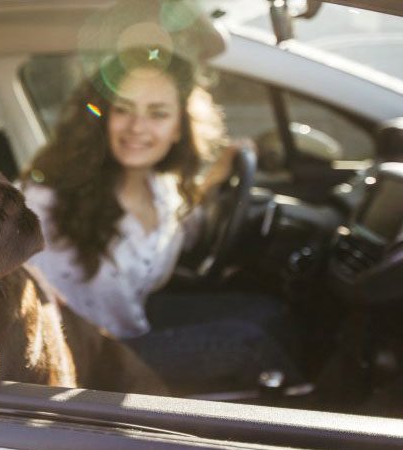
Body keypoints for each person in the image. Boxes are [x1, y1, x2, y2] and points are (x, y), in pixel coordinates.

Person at [21, 47, 299, 395]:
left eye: (158, 114)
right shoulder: (51, 197)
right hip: (90, 358)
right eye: (123, 110)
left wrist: (217, 177)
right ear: (104, 118)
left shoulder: (162, 190)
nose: (137, 127)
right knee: (249, 344)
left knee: (268, 311)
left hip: (132, 324)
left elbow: (189, 226)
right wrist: (31, 281)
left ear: (179, 128)